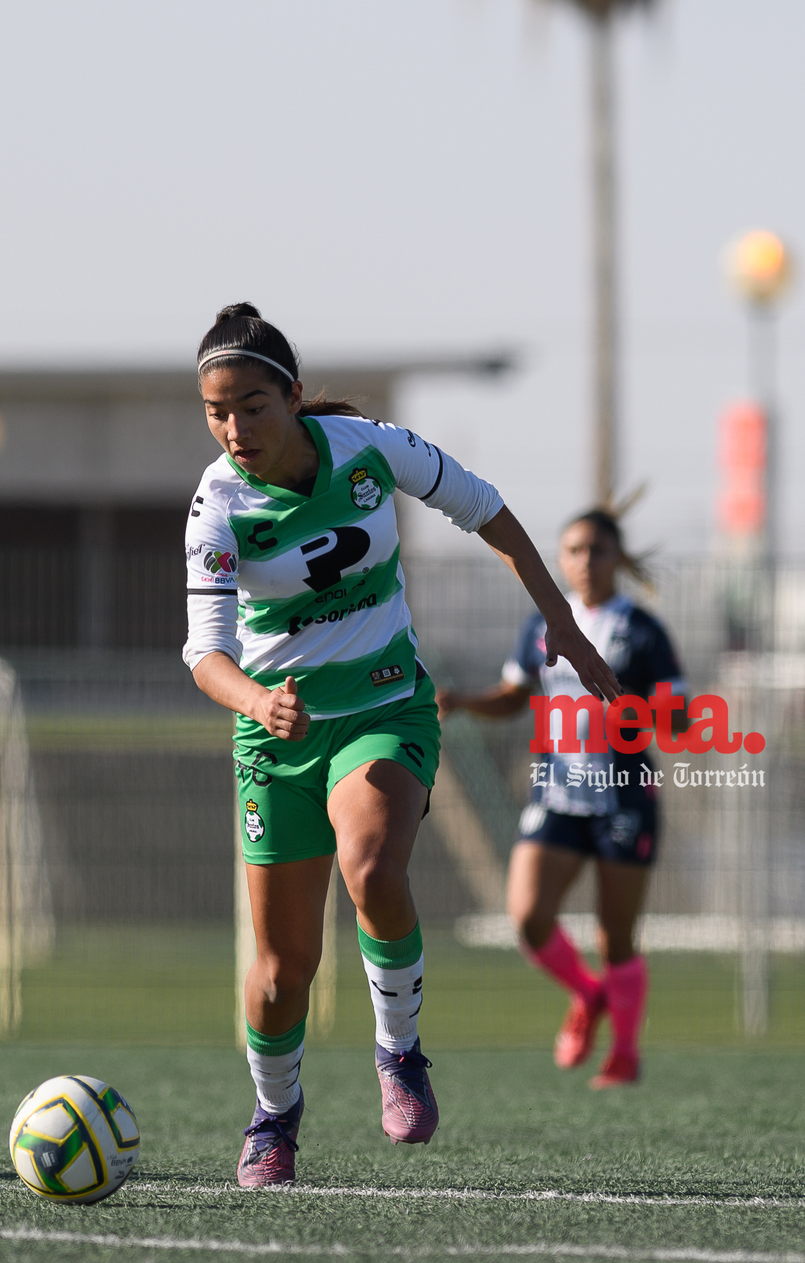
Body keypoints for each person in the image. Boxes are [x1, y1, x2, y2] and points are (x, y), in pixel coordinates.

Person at [182, 304, 621, 1187]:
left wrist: (560, 621)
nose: (237, 429)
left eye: (254, 407)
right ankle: (274, 1117)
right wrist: (259, 703)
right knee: (281, 971)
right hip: (278, 734)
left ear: (295, 398)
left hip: (385, 702)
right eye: (218, 412)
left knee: (373, 867)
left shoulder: (374, 450)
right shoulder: (217, 504)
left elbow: (488, 513)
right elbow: (205, 653)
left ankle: (401, 1052)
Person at [438, 510, 685, 1089]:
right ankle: (588, 994)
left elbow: (680, 716)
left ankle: (624, 1054)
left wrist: (637, 711)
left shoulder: (643, 631)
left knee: (615, 935)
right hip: (556, 793)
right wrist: (467, 700)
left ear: (618, 559)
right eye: (573, 549)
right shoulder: (543, 625)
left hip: (623, 797)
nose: (583, 560)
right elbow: (513, 695)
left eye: (597, 550)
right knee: (527, 917)